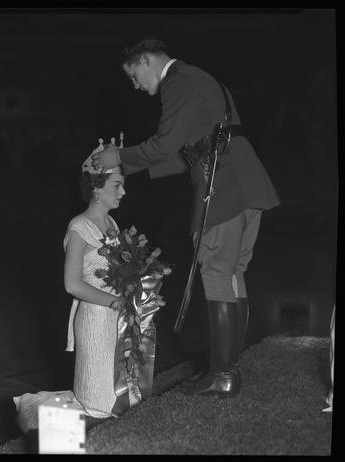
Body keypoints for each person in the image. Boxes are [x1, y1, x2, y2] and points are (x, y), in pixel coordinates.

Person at [91, 37, 281, 397]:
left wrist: (118, 157)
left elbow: (165, 144)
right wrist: (134, 170)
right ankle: (229, 367)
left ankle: (222, 374)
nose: (136, 86)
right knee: (233, 273)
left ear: (146, 60)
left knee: (215, 272)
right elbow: (190, 151)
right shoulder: (203, 79)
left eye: (134, 75)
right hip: (247, 182)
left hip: (222, 186)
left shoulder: (177, 82)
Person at [13, 143, 153, 430]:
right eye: (117, 185)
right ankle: (32, 411)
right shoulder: (78, 227)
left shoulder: (112, 224)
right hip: (94, 319)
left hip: (118, 319)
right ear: (97, 189)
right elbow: (72, 284)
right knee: (97, 405)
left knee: (117, 398)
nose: (123, 192)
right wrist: (115, 301)